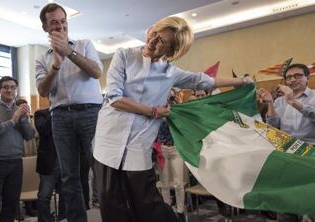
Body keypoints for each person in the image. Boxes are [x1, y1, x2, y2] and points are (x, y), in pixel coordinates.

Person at [92, 16, 253, 222]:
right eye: (155, 34)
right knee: (111, 204)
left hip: (137, 146)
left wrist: (242, 81)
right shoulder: (123, 56)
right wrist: (153, 111)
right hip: (108, 143)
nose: (152, 41)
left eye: (161, 42)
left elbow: (204, 80)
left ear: (171, 52)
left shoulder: (171, 73)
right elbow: (114, 98)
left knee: (147, 205)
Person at [35, 3, 103, 221]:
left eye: (63, 21)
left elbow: (96, 72)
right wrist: (55, 65)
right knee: (69, 177)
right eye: (54, 22)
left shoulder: (84, 45)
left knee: (102, 171)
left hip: (91, 113)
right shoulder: (42, 58)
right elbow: (43, 91)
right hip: (61, 118)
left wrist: (69, 52)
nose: (61, 26)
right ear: (45, 27)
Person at [258, 63, 315, 222]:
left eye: (298, 76)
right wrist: (270, 103)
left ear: (307, 78)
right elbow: (273, 128)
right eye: (289, 77)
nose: (293, 80)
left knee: (309, 204)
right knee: (285, 201)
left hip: (310, 155)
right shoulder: (279, 102)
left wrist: (292, 101)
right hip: (287, 154)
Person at [0, 76, 36, 222]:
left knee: (10, 206)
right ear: (0, 90)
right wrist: (12, 120)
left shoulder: (20, 110)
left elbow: (30, 135)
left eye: (12, 87)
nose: (9, 90)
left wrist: (23, 119)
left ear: (16, 91)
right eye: (5, 87)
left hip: (15, 162)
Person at [155, 89, 187, 221]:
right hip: (161, 149)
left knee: (179, 183)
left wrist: (178, 106)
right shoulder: (156, 108)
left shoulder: (177, 109)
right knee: (165, 184)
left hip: (176, 148)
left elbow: (183, 125)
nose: (168, 98)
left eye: (171, 96)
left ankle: (180, 212)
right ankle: (167, 212)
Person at [34, 108, 66, 222]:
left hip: (66, 160)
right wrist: (54, 111)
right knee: (44, 196)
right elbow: (44, 129)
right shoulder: (40, 113)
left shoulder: (67, 113)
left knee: (66, 195)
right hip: (49, 162)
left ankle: (63, 219)